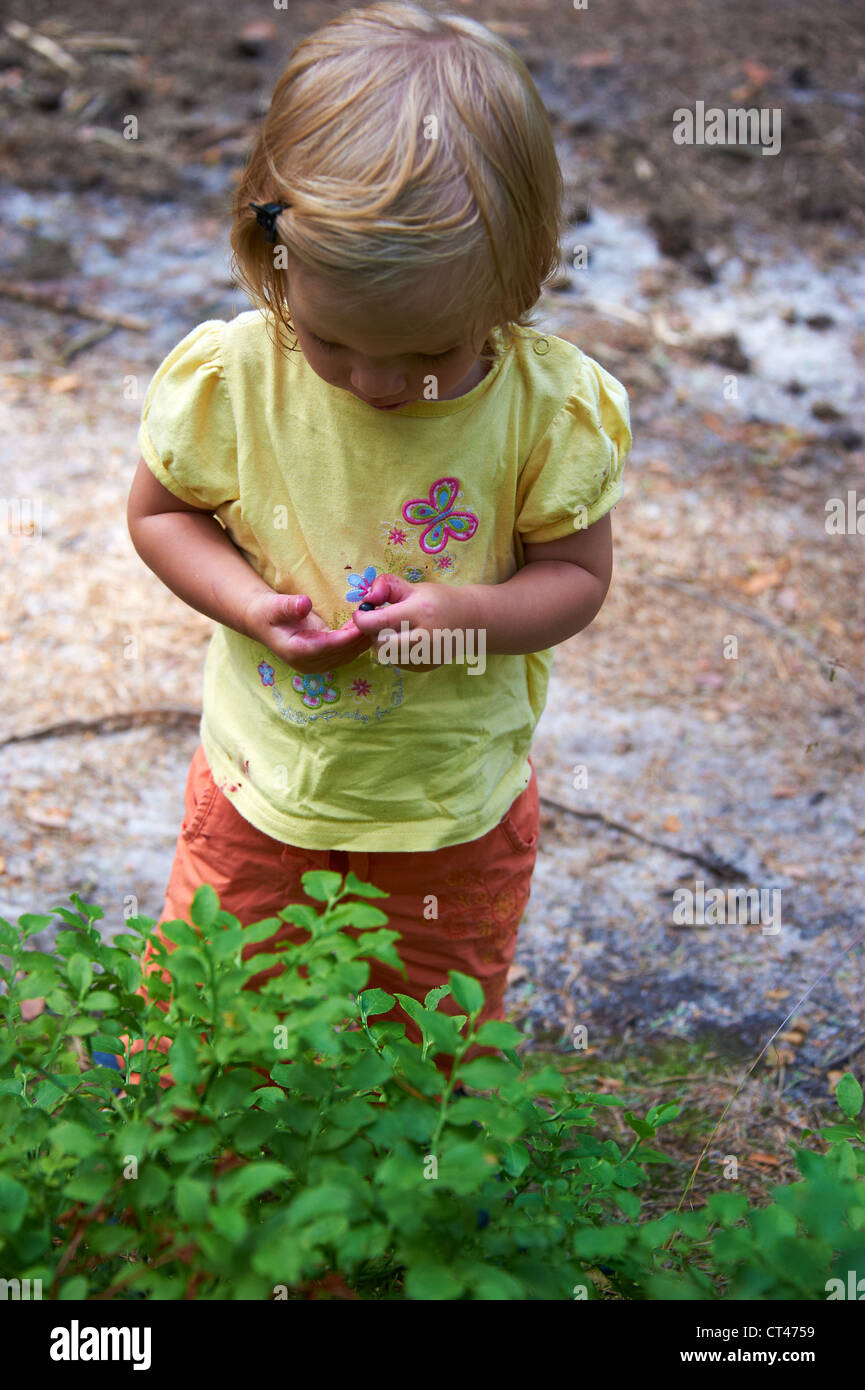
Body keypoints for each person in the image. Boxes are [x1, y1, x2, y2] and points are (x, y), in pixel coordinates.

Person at [124, 0, 631, 1081]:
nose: (378, 383)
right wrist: (244, 602)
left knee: (428, 1031)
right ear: (273, 256)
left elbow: (577, 579)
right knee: (212, 1014)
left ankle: (397, 1207)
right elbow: (160, 515)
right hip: (264, 779)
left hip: (448, 800)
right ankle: (191, 1193)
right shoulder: (236, 379)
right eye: (335, 341)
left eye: (430, 351)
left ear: (520, 274)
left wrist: (472, 615)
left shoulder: (545, 411)